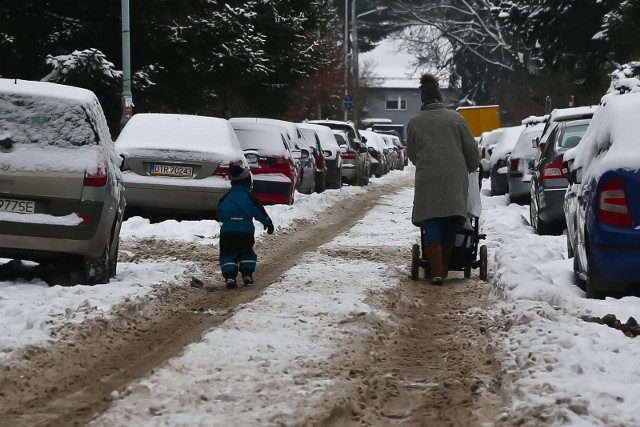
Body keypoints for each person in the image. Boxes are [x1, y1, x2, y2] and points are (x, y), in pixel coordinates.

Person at [406, 73, 480, 285]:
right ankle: (443, 267)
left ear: (423, 99)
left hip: (428, 180)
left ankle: (436, 270)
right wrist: (470, 166)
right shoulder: (456, 118)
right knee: (450, 222)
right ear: (440, 97)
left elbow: (412, 155)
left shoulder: (414, 123)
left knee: (432, 223)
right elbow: (472, 153)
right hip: (454, 180)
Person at [217, 163, 274, 289]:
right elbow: (259, 212)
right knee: (246, 253)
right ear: (247, 183)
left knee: (227, 254)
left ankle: (230, 277)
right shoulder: (249, 197)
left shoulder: (226, 198)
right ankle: (247, 274)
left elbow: (219, 212)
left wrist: (226, 221)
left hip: (228, 233)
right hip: (245, 233)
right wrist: (268, 223)